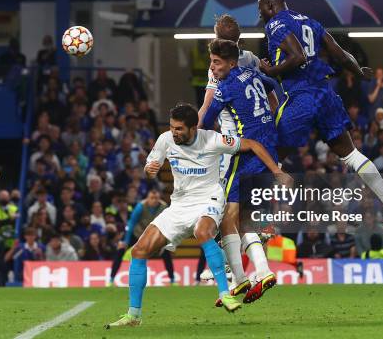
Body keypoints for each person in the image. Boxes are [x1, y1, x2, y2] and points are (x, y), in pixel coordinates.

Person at [105, 103, 284, 328]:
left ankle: (225, 292)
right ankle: (133, 315)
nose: (174, 132)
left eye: (179, 129)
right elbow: (152, 166)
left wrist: (276, 171)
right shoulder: (165, 140)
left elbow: (253, 144)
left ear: (193, 128)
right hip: (179, 204)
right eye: (172, 127)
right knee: (139, 250)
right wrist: (149, 171)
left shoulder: (213, 139)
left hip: (210, 197)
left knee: (202, 232)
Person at [258, 0, 383, 232]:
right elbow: (339, 53)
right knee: (351, 154)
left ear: (272, 6)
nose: (261, 15)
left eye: (261, 9)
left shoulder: (275, 24)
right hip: (326, 93)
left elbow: (298, 56)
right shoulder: (310, 21)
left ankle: (262, 223)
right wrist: (359, 71)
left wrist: (270, 71)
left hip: (301, 96)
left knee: (267, 155)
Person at [200, 38, 285, 304]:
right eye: (211, 63)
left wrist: (200, 142)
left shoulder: (224, 88)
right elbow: (275, 90)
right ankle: (261, 271)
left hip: (246, 153)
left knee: (228, 215)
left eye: (216, 62)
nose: (212, 68)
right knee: (244, 217)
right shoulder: (254, 74)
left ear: (231, 62)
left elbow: (205, 120)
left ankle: (239, 277)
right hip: (269, 149)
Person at [108, 189, 174, 286]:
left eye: (156, 198)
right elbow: (131, 223)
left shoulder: (164, 207)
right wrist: (125, 241)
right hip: (137, 234)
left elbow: (168, 225)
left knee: (166, 253)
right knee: (120, 250)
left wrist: (166, 242)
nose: (154, 200)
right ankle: (111, 279)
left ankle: (172, 280)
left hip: (153, 235)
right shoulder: (140, 206)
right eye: (152, 198)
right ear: (147, 199)